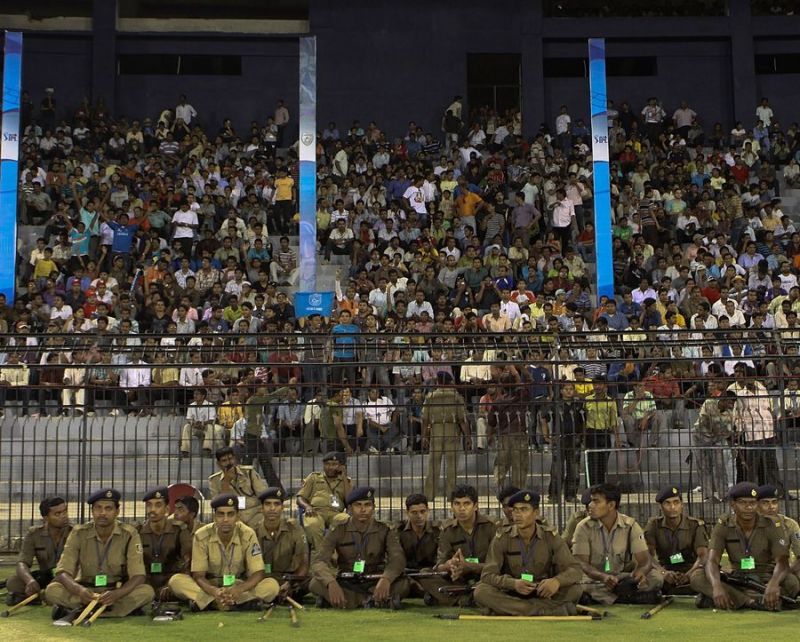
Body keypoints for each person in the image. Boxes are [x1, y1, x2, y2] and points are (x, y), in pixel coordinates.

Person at [45, 489, 155, 623]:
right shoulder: (79, 533)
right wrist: (79, 591)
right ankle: (113, 611)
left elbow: (138, 576)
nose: (102, 513)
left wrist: (117, 594)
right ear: (92, 511)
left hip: (115, 592)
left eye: (108, 508)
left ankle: (82, 611)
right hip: (85, 591)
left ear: (117, 511)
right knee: (52, 590)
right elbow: (62, 572)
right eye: (98, 508)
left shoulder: (129, 534)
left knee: (147, 592)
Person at [690, 482, 799, 610]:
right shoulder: (724, 524)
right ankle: (751, 601)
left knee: (792, 583)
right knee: (697, 576)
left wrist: (774, 583)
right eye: (743, 503)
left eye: (752, 503)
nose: (748, 507)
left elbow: (782, 561)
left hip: (766, 576)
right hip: (737, 577)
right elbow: (712, 560)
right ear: (733, 504)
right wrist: (716, 586)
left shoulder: (772, 524)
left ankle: (727, 598)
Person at [473, 490, 582, 616]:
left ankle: (513, 609)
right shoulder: (502, 538)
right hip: (512, 591)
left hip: (542, 591)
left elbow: (575, 569)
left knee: (575, 589)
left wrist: (556, 581)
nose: (518, 515)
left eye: (524, 509)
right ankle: (543, 610)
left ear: (536, 513)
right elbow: (487, 575)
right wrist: (513, 583)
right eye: (515, 510)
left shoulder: (550, 537)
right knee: (481, 591)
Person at [168, 494, 279, 612]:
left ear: (237, 516)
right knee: (176, 581)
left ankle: (210, 603)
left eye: (230, 514)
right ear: (214, 516)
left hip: (238, 585)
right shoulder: (201, 535)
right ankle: (239, 603)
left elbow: (258, 573)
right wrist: (214, 591)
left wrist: (239, 589)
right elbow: (198, 576)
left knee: (271, 585)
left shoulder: (248, 534)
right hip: (211, 586)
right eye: (221, 514)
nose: (225, 519)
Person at [309, 486, 409, 609]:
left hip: (375, 580)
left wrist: (386, 579)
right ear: (350, 509)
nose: (363, 510)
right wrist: (331, 583)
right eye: (358, 505)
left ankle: (344, 601)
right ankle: (375, 601)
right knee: (315, 583)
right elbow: (319, 560)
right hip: (347, 581)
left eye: (368, 505)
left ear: (373, 508)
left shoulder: (384, 530)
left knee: (404, 583)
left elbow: (398, 558)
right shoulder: (338, 530)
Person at [572, 482, 662, 605]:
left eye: (596, 501)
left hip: (621, 577)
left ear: (611, 505)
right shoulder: (583, 527)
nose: (590, 505)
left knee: (656, 577)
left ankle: (607, 597)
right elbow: (582, 563)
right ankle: (628, 597)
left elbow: (645, 561)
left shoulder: (630, 526)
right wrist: (603, 577)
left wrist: (639, 574)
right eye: (591, 501)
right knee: (577, 584)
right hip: (595, 578)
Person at [422, 484, 497, 606]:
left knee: (498, 580)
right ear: (452, 507)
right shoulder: (447, 531)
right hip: (458, 579)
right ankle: (466, 599)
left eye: (466, 504)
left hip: (485, 577)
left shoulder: (491, 527)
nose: (461, 508)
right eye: (457, 504)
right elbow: (439, 566)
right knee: (425, 574)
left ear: (476, 506)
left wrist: (471, 566)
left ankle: (456, 598)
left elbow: (498, 565)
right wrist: (450, 565)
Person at [6, 497, 72, 605]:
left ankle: (38, 597)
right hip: (45, 576)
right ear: (46, 518)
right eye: (58, 514)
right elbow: (22, 562)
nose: (64, 516)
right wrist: (30, 581)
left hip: (67, 578)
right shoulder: (34, 534)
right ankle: (44, 596)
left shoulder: (74, 533)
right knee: (13, 582)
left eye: (65, 511)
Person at [643, 486, 708, 595]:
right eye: (667, 503)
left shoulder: (695, 525)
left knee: (705, 575)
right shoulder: (653, 525)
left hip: (692, 568)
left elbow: (703, 555)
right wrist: (664, 573)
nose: (672, 507)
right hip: (666, 568)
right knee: (652, 577)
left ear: (682, 504)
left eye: (676, 502)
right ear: (660, 506)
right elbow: (648, 556)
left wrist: (688, 575)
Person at [422, 371, 471, 502]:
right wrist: (468, 437)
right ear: (449, 382)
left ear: (438, 382)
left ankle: (429, 495)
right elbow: (462, 420)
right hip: (452, 431)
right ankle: (451, 496)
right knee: (452, 467)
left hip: (436, 431)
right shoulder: (456, 397)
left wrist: (424, 437)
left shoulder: (431, 396)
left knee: (433, 465)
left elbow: (425, 420)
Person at [255, 487, 309, 599]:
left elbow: (304, 562)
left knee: (313, 580)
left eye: (277, 504)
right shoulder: (253, 532)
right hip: (263, 581)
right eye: (268, 504)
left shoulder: (294, 528)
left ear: (282, 507)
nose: (272, 508)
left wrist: (290, 584)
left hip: (290, 580)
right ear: (261, 508)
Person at [137, 487, 192, 596]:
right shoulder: (137, 532)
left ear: (167, 509)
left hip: (171, 582)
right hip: (145, 583)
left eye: (157, 505)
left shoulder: (179, 530)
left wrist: (169, 585)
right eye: (149, 505)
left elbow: (189, 561)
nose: (152, 509)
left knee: (179, 583)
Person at [296, 451, 352, 551]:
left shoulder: (345, 481)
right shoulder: (314, 477)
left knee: (345, 520)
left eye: (334, 464)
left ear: (341, 466)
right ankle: (323, 556)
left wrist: (344, 476)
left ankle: (329, 555)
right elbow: (300, 497)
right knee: (313, 525)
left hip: (336, 514)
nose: (330, 467)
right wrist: (307, 506)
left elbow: (350, 501)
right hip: (315, 511)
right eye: (327, 464)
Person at [487, 372, 530, 491]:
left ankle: (498, 488)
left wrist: (489, 437)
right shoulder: (520, 397)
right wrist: (517, 373)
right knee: (520, 467)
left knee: (501, 465)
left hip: (504, 436)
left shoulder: (499, 402)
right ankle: (519, 492)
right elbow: (529, 381)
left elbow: (491, 422)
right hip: (519, 435)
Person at [208, 447, 269, 530]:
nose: (229, 463)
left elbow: (263, 495)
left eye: (230, 459)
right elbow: (220, 505)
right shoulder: (214, 480)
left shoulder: (249, 472)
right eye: (224, 461)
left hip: (255, 513)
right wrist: (225, 482)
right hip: (233, 516)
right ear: (218, 464)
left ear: (235, 459)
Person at [693, 390, 737, 502]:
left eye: (733, 403)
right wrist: (717, 427)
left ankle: (724, 494)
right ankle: (708, 496)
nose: (731, 405)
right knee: (704, 467)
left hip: (716, 440)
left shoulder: (729, 414)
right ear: (723, 399)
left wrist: (717, 428)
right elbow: (703, 422)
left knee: (720, 466)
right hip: (700, 438)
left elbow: (727, 432)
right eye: (730, 402)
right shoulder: (709, 403)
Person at [755, 485, 800, 587]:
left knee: (792, 582)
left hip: (781, 570)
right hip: (753, 570)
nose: (771, 507)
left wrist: (789, 573)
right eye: (765, 503)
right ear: (757, 505)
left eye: (774, 502)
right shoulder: (748, 524)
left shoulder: (790, 524)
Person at [583, 378, 620, 485]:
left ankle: (600, 487)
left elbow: (614, 421)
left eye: (600, 384)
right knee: (591, 463)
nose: (597, 387)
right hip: (591, 433)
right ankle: (590, 488)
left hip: (604, 434)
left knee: (602, 464)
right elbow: (583, 419)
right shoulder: (587, 400)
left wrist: (617, 439)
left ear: (604, 385)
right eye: (595, 384)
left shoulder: (610, 401)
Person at [396, 493, 440, 574]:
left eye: (422, 511)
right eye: (414, 512)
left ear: (428, 511)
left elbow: (442, 559)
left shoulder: (437, 532)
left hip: (431, 574)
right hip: (405, 574)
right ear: (407, 513)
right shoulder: (398, 532)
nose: (419, 516)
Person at [179, 388, 226, 457]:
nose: (195, 396)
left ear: (203, 396)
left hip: (205, 427)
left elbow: (212, 419)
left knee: (210, 427)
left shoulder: (210, 405)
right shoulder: (191, 405)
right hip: (195, 427)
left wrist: (202, 423)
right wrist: (194, 423)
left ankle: (207, 450)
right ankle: (185, 450)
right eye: (194, 394)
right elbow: (189, 418)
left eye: (197, 394)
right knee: (187, 426)